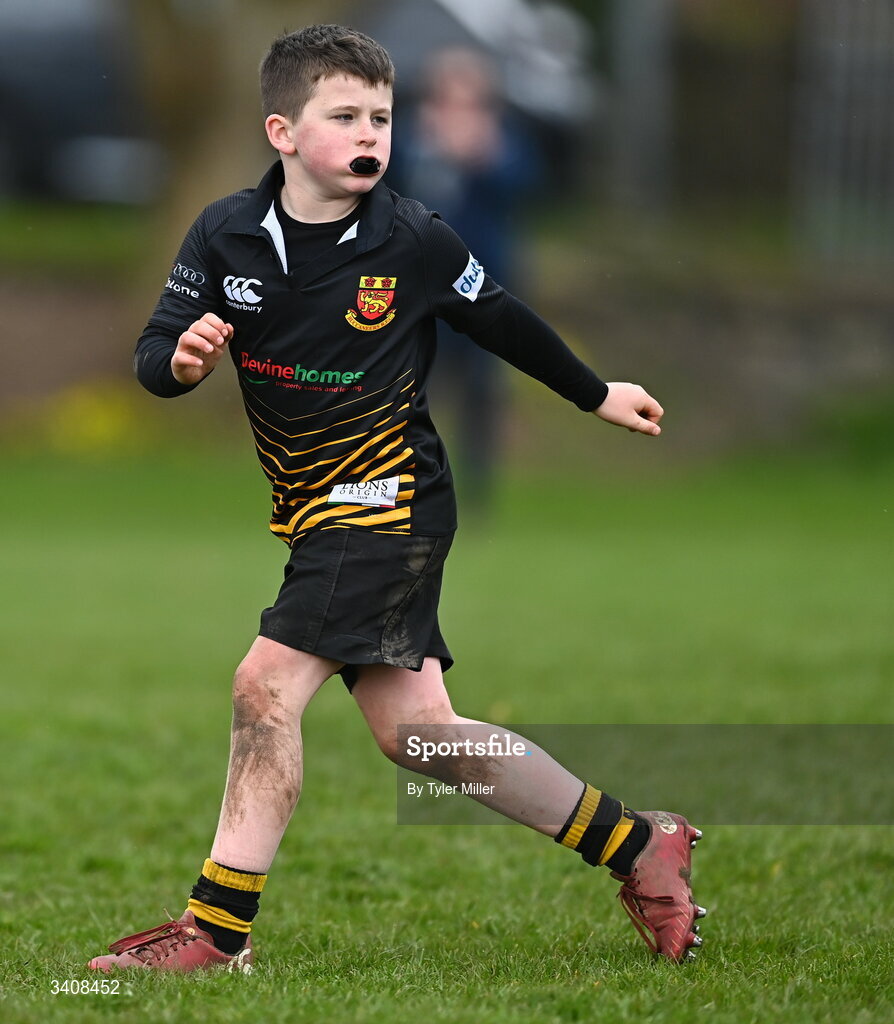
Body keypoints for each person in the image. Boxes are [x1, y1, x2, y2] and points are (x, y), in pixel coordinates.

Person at [87, 24, 705, 974]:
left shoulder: (412, 236)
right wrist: (179, 360)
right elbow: (151, 353)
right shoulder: (223, 232)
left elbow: (500, 318)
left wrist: (595, 392)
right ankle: (637, 845)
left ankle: (215, 933)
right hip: (318, 515)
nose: (371, 132)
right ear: (282, 132)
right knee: (420, 735)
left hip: (389, 500)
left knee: (265, 685)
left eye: (382, 115)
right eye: (345, 116)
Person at [389, 46, 541, 511]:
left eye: (469, 100)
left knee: (480, 391)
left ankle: (476, 494)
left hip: (483, 288)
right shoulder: (404, 138)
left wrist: (481, 154)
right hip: (419, 290)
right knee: (411, 389)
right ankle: (408, 482)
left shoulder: (501, 141)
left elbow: (529, 185)